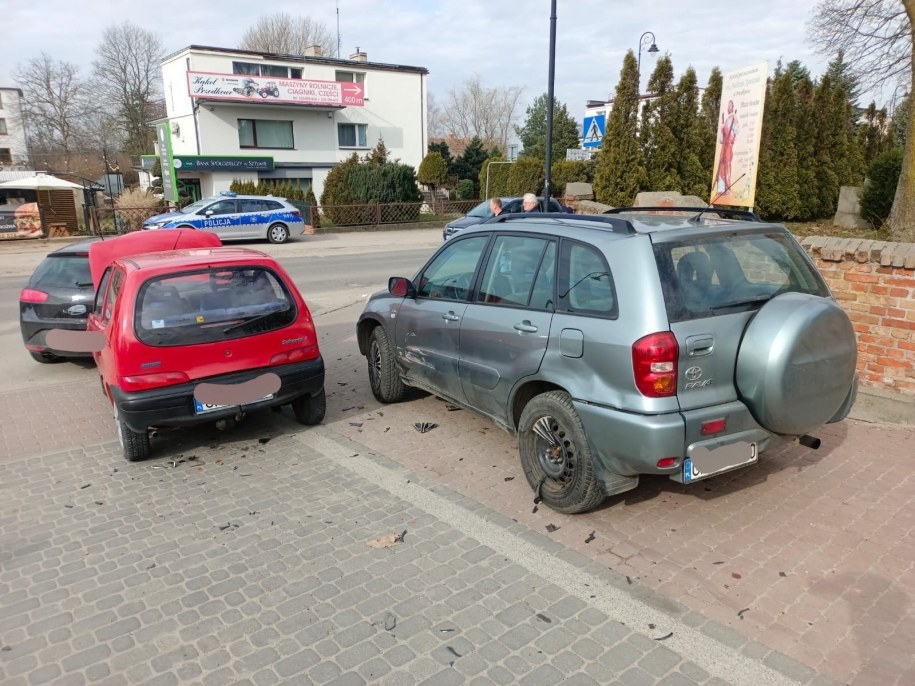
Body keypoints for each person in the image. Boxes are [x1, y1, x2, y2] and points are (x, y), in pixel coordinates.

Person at [715, 100, 739, 195]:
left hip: (729, 145)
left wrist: (735, 121)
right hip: (724, 146)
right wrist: (722, 130)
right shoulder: (725, 120)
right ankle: (721, 187)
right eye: (728, 105)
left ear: (733, 107)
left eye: (731, 106)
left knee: (727, 164)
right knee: (721, 164)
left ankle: (727, 186)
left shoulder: (733, 118)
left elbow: (736, 131)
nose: (729, 107)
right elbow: (721, 140)